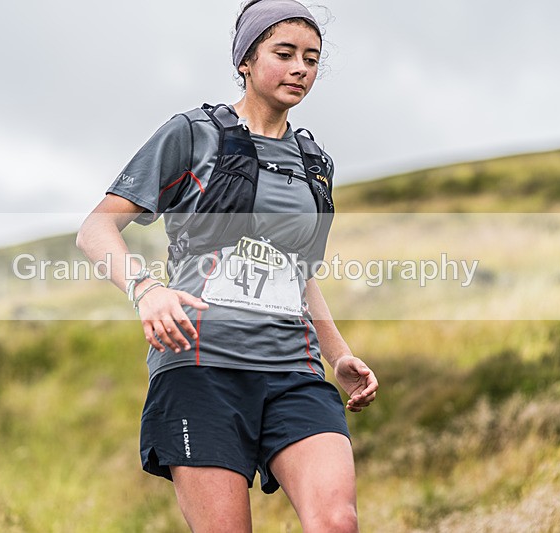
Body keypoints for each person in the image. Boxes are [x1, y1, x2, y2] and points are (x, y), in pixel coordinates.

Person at [77, 1, 378, 531]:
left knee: (337, 522)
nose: (300, 69)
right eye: (283, 54)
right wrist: (146, 290)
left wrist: (340, 355)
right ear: (245, 60)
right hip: (201, 370)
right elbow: (96, 229)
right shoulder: (193, 135)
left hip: (293, 371)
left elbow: (298, 274)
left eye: (311, 58)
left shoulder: (316, 164)